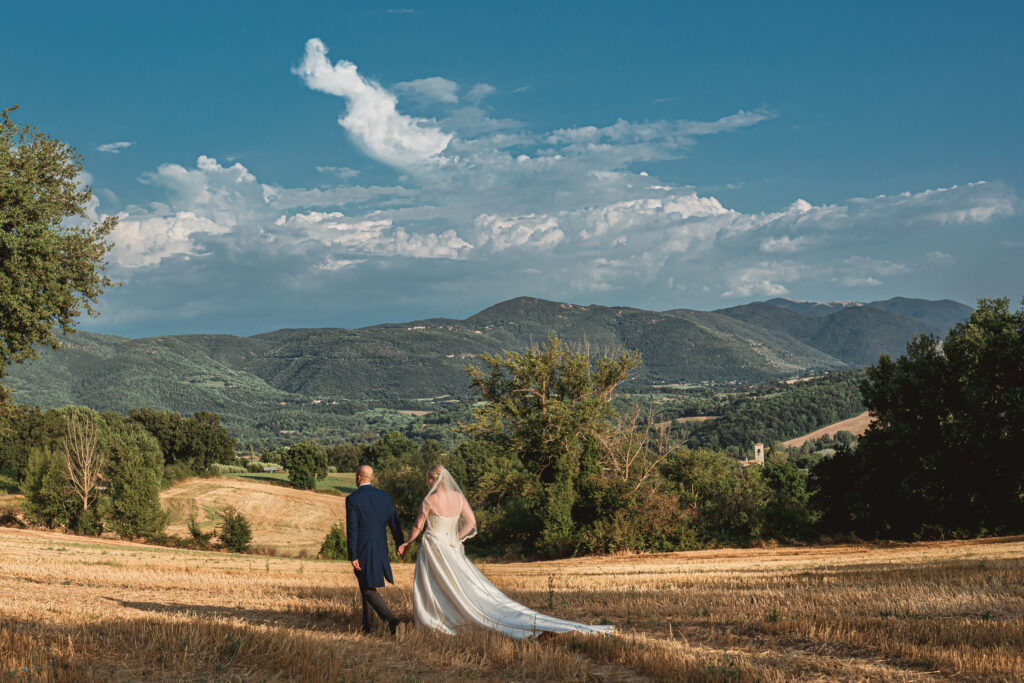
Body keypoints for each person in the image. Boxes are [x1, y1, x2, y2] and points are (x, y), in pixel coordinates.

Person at [397, 465, 613, 638]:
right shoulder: (458, 498)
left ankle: (437, 618)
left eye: (429, 479)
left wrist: (407, 542)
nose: (428, 483)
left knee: (433, 584)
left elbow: (418, 526)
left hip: (434, 546)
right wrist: (456, 538)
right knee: (461, 584)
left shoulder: (429, 500)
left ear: (435, 479)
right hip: (451, 547)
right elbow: (471, 522)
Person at [346, 465, 405, 634]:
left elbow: (352, 529)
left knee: (367, 589)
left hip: (363, 549)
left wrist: (353, 554)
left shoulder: (353, 499)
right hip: (381, 547)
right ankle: (368, 627)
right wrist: (400, 542)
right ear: (371, 478)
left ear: (358, 477)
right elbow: (394, 522)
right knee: (366, 584)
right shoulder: (384, 497)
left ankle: (392, 621)